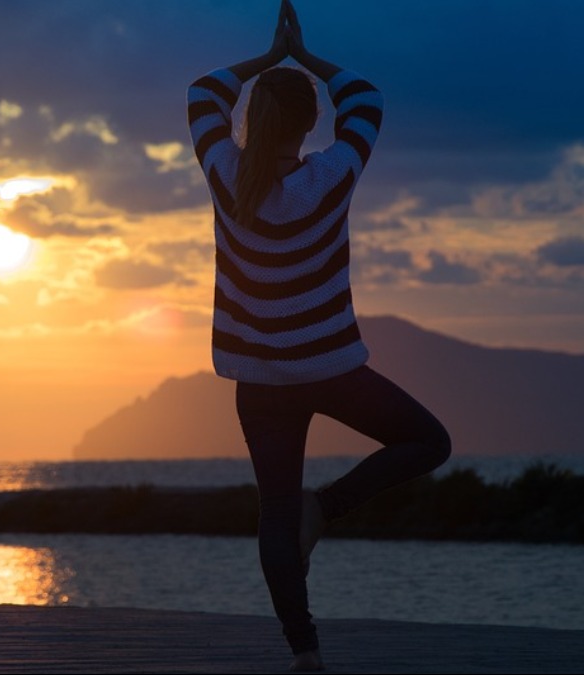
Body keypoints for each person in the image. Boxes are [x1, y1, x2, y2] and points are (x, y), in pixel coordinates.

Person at [186, 1, 452, 670]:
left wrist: (265, 60)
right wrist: (303, 58)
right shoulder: (331, 176)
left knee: (274, 512)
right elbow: (365, 95)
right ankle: (326, 507)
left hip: (258, 379)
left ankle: (306, 654)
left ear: (252, 119)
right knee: (429, 442)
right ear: (309, 122)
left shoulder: (225, 175)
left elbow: (202, 92)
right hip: (331, 366)